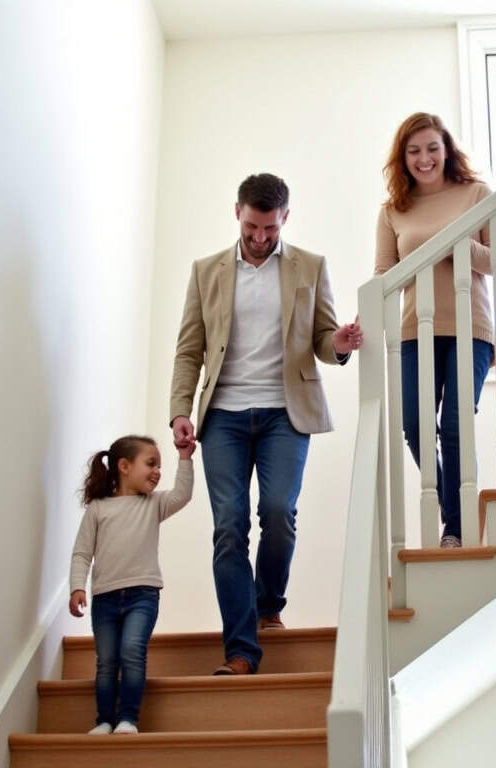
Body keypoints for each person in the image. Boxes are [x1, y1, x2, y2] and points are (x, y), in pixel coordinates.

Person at [170, 173, 363, 676]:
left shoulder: (310, 267)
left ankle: (269, 602)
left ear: (285, 219)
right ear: (237, 212)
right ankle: (239, 651)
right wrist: (180, 411)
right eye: (253, 226)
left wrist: (338, 344)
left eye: (270, 229)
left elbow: (322, 336)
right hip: (223, 418)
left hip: (285, 411)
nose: (260, 238)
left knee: (278, 512)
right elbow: (190, 347)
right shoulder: (206, 270)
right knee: (229, 529)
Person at [375, 112, 496, 549]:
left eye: (432, 147)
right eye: (414, 151)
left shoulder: (476, 194)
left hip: (472, 327)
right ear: (403, 158)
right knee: (414, 426)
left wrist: (460, 244)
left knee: (454, 424)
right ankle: (457, 510)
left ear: (446, 148)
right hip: (415, 331)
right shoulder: (394, 211)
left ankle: (456, 528)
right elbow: (383, 275)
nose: (424, 158)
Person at [68, 434, 195, 735]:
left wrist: (185, 458)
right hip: (104, 599)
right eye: (151, 463)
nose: (157, 471)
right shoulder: (98, 509)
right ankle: (103, 721)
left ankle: (128, 719)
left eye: (159, 466)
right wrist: (77, 587)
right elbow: (82, 553)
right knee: (107, 661)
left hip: (143, 595)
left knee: (132, 651)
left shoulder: (154, 505)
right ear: (124, 466)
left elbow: (182, 494)